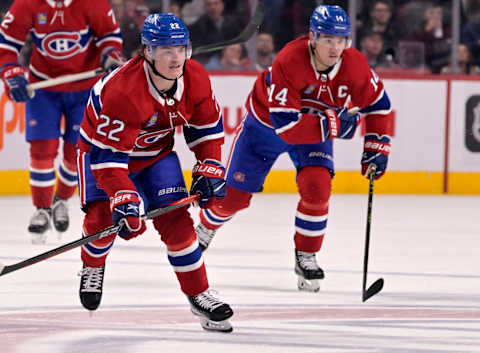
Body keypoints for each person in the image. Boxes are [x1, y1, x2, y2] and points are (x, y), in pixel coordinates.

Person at [195, 5, 393, 292]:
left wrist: (377, 145)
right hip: (264, 131)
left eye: (341, 40)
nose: (335, 47)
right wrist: (334, 124)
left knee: (318, 188)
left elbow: (379, 105)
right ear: (313, 37)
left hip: (314, 133)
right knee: (232, 200)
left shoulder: (355, 65)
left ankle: (307, 255)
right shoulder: (291, 59)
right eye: (328, 39)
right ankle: (207, 225)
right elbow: (287, 126)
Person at [76, 13, 233, 332]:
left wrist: (209, 165)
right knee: (101, 222)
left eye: (180, 48)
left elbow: (206, 130)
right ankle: (92, 265)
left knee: (176, 221)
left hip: (155, 155)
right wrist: (124, 198)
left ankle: (199, 293)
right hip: (101, 156)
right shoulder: (124, 92)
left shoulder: (197, 77)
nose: (176, 57)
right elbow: (108, 161)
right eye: (165, 49)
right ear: (147, 51)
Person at [0, 0, 125, 244]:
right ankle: (42, 208)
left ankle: (61, 200)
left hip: (85, 89)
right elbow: (6, 44)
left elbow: (110, 37)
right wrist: (10, 72)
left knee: (76, 150)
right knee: (42, 150)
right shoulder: (27, 4)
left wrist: (110, 56)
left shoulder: (92, 3)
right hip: (43, 87)